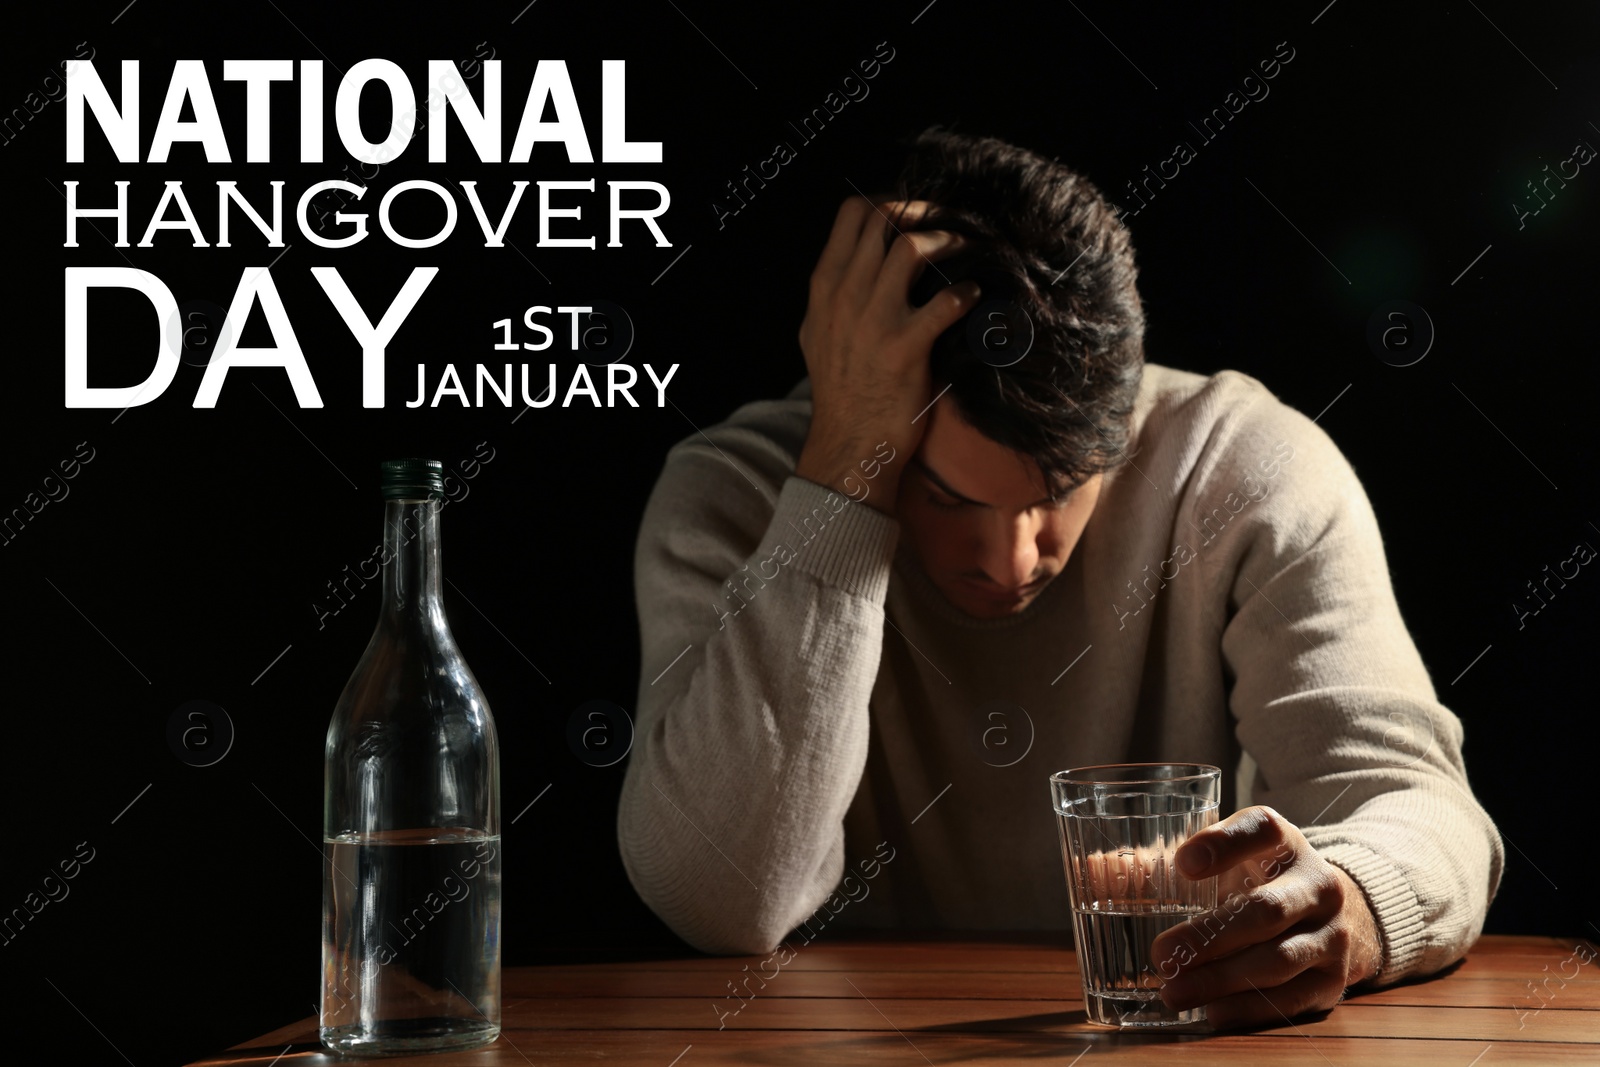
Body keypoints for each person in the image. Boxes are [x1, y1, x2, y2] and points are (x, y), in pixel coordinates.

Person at [616, 127, 1503, 1028]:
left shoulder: (1246, 469)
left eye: (1064, 490)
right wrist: (843, 477)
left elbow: (1419, 805)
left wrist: (1352, 902)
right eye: (943, 494)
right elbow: (714, 898)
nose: (1012, 561)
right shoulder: (734, 493)